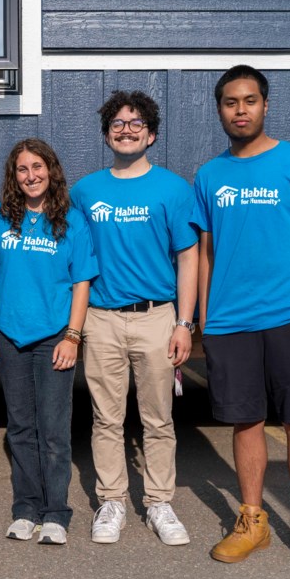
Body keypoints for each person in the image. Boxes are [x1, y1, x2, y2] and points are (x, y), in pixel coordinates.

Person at [192, 65, 290, 579]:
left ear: (265, 105)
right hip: (231, 321)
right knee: (246, 420)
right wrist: (205, 320)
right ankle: (252, 520)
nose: (241, 110)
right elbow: (207, 253)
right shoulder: (209, 175)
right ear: (220, 110)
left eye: (250, 100)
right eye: (231, 102)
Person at [70, 90, 199, 546]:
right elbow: (74, 257)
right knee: (106, 418)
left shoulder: (173, 189)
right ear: (107, 134)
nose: (127, 130)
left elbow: (188, 257)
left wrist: (185, 323)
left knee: (158, 419)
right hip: (102, 319)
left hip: (156, 318)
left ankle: (160, 503)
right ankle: (112, 502)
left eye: (136, 123)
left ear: (152, 134)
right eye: (118, 124)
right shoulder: (85, 191)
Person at [0, 139, 98, 545]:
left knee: (53, 429)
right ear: (14, 176)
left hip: (53, 337)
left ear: (52, 171)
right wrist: (6, 281)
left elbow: (82, 283)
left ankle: (56, 512)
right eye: (22, 169)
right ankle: (26, 508)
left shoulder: (72, 221)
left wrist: (72, 336)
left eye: (37, 167)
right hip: (10, 334)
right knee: (21, 427)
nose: (31, 176)